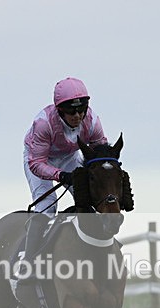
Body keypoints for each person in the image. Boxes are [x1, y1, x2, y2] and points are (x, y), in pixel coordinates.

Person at [19, 77, 107, 279]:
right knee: (47, 206)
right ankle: (29, 262)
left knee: (89, 198)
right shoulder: (43, 124)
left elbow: (99, 151)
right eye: (71, 112)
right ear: (60, 111)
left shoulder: (92, 121)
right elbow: (36, 163)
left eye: (81, 110)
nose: (78, 116)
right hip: (39, 158)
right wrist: (62, 176)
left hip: (68, 157)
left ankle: (96, 251)